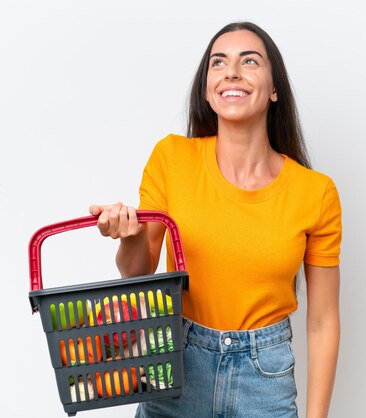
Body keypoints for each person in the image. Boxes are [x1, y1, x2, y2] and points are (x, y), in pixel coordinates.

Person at [90, 21, 341, 418]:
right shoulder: (172, 159)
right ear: (208, 90)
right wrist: (130, 236)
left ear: (275, 89)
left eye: (250, 61)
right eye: (218, 63)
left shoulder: (316, 192)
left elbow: (323, 321)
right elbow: (138, 271)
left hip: (265, 379)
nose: (232, 72)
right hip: (176, 365)